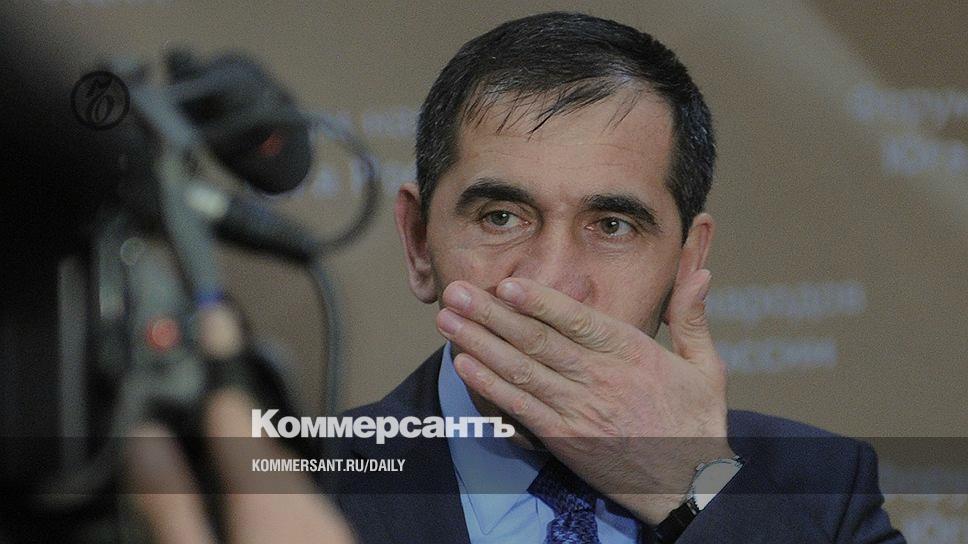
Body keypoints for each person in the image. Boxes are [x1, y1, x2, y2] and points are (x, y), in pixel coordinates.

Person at [334, 11, 906, 544]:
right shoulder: (302, 487)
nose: (552, 280)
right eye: (501, 217)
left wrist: (693, 489)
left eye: (612, 226)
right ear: (419, 243)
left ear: (686, 262)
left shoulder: (822, 493)